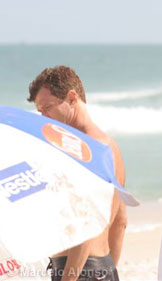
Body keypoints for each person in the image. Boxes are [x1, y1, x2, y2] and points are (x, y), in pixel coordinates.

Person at [27, 66, 127, 281]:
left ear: (72, 97)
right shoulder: (110, 147)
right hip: (101, 266)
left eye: (47, 107)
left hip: (76, 270)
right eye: (39, 111)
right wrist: (108, 271)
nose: (43, 116)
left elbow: (88, 222)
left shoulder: (82, 149)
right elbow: (121, 221)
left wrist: (70, 277)